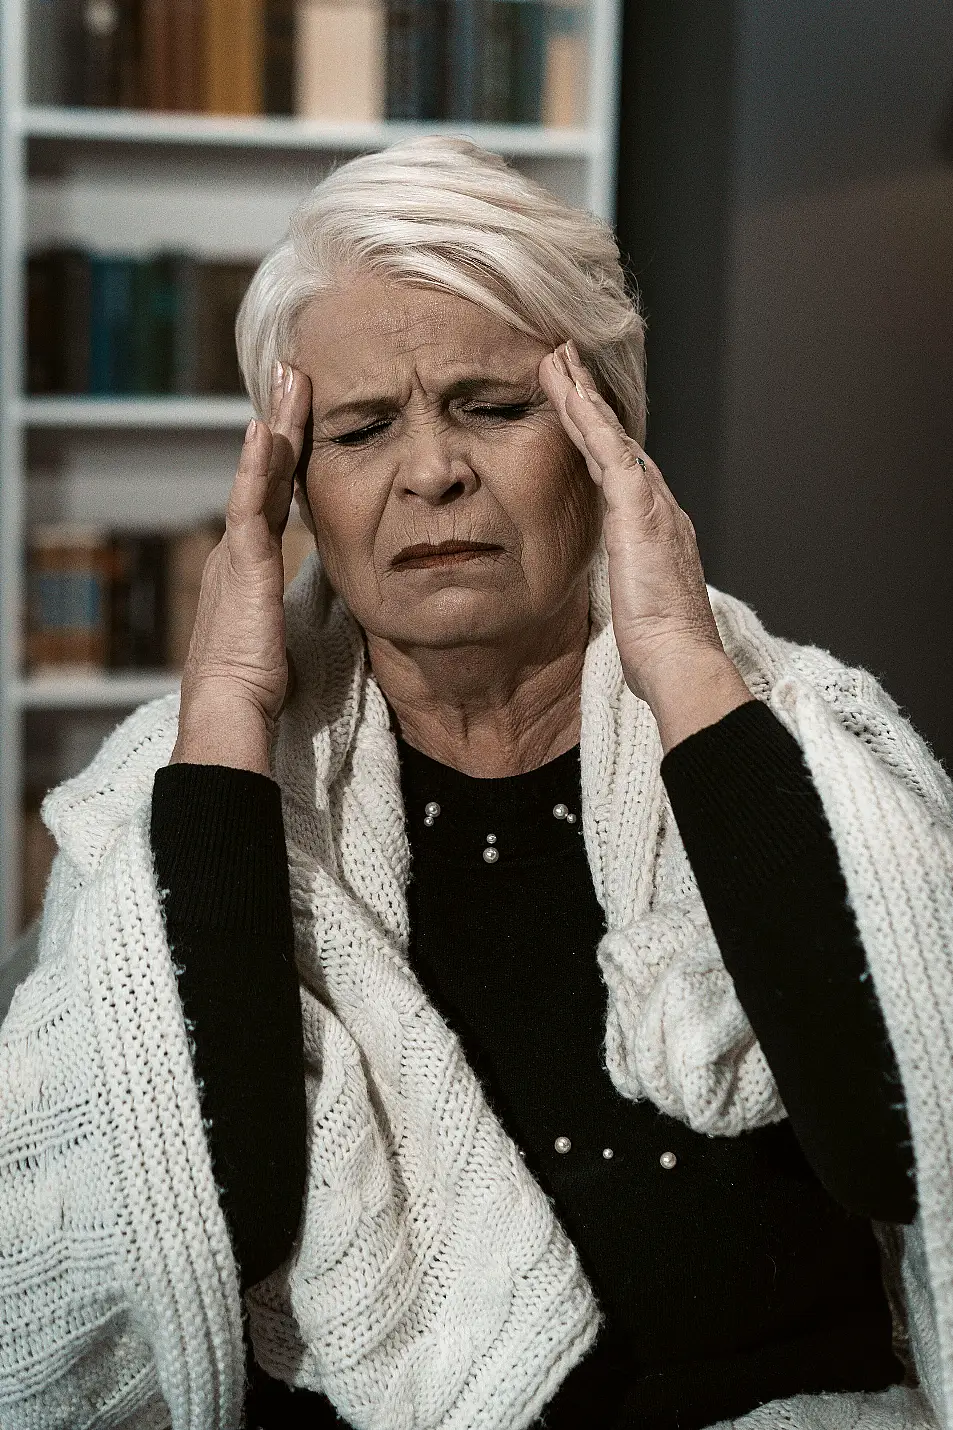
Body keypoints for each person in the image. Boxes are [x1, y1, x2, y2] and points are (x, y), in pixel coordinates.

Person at [3, 137, 952, 1430]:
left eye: (493, 406)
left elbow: (904, 1144)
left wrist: (682, 663)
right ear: (296, 489)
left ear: (603, 436)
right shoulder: (192, 790)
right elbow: (208, 1220)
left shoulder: (772, 735)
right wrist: (226, 693)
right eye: (361, 426)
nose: (431, 469)